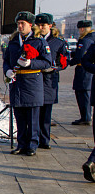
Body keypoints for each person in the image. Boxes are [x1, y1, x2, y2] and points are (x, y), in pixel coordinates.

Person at [3, 11, 52, 156]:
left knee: (32, 117)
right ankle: (21, 143)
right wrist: (7, 71)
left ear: (30, 25)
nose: (19, 26)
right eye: (18, 23)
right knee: (19, 117)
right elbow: (6, 60)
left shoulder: (39, 41)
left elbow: (47, 62)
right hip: (17, 83)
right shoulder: (12, 41)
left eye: (22, 23)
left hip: (32, 83)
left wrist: (31, 63)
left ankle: (32, 145)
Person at [35, 13, 69, 149]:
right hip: (34, 80)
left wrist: (55, 68)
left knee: (46, 114)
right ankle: (33, 139)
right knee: (34, 113)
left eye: (43, 25)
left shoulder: (58, 42)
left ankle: (44, 140)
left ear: (50, 26)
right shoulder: (33, 40)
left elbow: (64, 61)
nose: (41, 28)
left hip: (49, 82)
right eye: (38, 25)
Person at [70, 20, 94, 125]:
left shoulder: (85, 40)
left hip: (83, 70)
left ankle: (86, 117)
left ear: (82, 29)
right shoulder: (91, 38)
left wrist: (69, 62)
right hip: (87, 70)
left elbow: (80, 57)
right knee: (84, 94)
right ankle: (86, 116)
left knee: (82, 94)